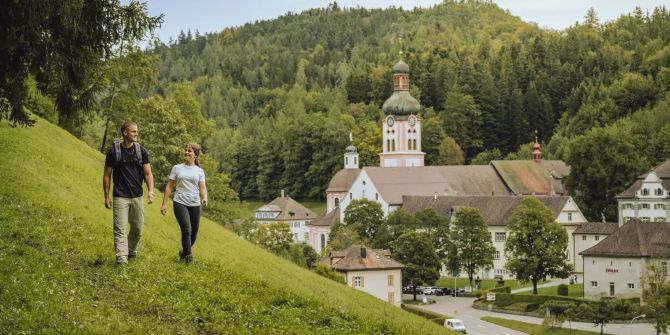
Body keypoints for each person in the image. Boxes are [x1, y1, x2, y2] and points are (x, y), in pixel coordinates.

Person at [103, 121, 154, 265]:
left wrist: (150, 191)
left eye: (137, 131)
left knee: (137, 229)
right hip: (120, 197)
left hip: (137, 196)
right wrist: (106, 196)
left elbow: (148, 173)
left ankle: (131, 251)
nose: (136, 134)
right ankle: (121, 259)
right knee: (120, 229)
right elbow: (107, 175)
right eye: (133, 132)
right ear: (125, 133)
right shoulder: (113, 152)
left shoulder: (141, 151)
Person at [160, 143, 208, 264]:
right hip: (180, 202)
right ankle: (189, 258)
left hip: (195, 204)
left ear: (195, 155)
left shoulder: (199, 171)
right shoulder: (177, 168)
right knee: (186, 230)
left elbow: (202, 187)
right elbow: (169, 186)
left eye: (189, 151)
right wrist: (164, 204)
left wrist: (204, 198)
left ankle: (184, 252)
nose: (186, 152)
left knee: (194, 234)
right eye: (185, 150)